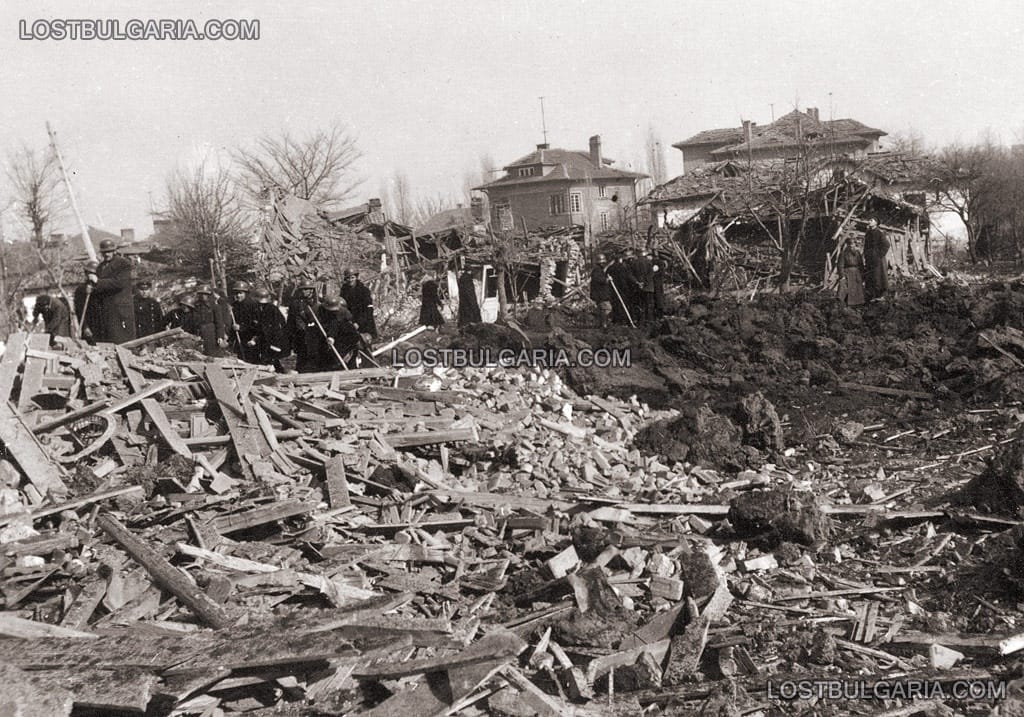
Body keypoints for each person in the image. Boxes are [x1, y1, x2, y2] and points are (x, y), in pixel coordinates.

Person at [88, 238, 136, 342]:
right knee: (110, 339)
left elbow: (119, 283)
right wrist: (93, 288)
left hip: (120, 308)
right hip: (107, 309)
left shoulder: (123, 263)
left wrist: (98, 282)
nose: (106, 254)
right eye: (104, 252)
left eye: (109, 251)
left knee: (123, 339)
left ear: (114, 251)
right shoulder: (100, 267)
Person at [249, 287, 289, 371]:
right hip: (263, 339)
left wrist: (276, 342)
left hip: (273, 339)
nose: (261, 305)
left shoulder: (272, 309)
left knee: (272, 360)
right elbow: (258, 327)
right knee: (265, 360)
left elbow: (279, 325)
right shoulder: (256, 310)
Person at [317, 297, 362, 370]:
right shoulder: (323, 312)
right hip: (338, 337)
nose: (332, 312)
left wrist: (331, 336)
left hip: (347, 340)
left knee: (345, 357)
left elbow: (335, 325)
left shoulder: (342, 315)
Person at [286, 280, 322, 373]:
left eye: (307, 289)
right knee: (301, 356)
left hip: (314, 335)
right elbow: (292, 320)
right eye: (302, 290)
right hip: (300, 334)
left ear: (312, 290)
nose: (304, 292)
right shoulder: (295, 304)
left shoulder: (318, 305)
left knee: (314, 356)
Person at [192, 284, 230, 355]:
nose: (203, 296)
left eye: (205, 294)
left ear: (209, 295)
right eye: (201, 294)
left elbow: (219, 323)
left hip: (211, 332)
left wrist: (220, 336)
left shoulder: (215, 307)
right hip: (199, 331)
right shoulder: (196, 307)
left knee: (211, 353)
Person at [340, 271, 377, 340]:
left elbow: (369, 309)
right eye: (348, 278)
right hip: (351, 318)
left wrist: (358, 323)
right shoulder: (344, 290)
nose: (350, 280)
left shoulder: (364, 290)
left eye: (352, 278)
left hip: (364, 319)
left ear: (356, 278)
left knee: (364, 341)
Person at [228, 280, 258, 362]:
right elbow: (233, 323)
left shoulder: (252, 305)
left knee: (251, 360)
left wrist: (241, 327)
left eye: (241, 293)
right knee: (241, 360)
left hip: (251, 338)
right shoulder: (235, 305)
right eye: (236, 293)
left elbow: (255, 324)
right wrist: (230, 340)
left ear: (246, 293)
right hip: (239, 339)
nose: (238, 295)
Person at [73, 261, 103, 343]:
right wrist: (85, 327)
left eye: (94, 273)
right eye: (89, 273)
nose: (91, 276)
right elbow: (79, 310)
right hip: (89, 323)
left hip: (102, 324)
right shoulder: (81, 289)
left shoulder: (102, 288)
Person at [863, 218, 890, 302]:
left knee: (878, 276)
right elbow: (866, 246)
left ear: (876, 223)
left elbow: (886, 245)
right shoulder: (868, 233)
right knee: (870, 277)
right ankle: (872, 295)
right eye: (869, 220)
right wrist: (866, 254)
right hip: (870, 259)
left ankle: (880, 295)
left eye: (871, 220)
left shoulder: (879, 233)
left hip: (878, 260)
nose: (869, 221)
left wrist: (879, 255)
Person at [838, 238, 866, 307]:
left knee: (858, 290)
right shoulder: (843, 254)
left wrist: (862, 274)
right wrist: (842, 276)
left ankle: (858, 304)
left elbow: (861, 264)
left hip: (857, 273)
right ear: (847, 245)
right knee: (848, 290)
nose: (851, 246)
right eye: (849, 244)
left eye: (853, 244)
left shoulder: (857, 253)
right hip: (848, 273)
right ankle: (848, 304)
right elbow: (840, 265)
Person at [606, 255, 633, 325]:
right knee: (624, 304)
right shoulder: (624, 267)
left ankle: (616, 320)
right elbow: (628, 277)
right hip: (623, 288)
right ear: (620, 259)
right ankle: (624, 320)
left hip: (613, 289)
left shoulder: (610, 268)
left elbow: (607, 277)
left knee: (615, 304)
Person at [590, 253, 612, 328]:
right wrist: (606, 280)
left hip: (599, 293)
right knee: (606, 309)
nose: (604, 264)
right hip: (600, 293)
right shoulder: (597, 270)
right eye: (603, 263)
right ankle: (604, 324)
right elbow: (597, 279)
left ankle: (601, 324)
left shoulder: (599, 270)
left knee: (601, 309)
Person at [636, 250, 656, 321]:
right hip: (648, 287)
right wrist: (644, 282)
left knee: (640, 304)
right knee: (649, 304)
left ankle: (640, 320)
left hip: (638, 286)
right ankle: (649, 320)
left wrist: (638, 282)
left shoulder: (635, 262)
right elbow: (651, 274)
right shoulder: (648, 262)